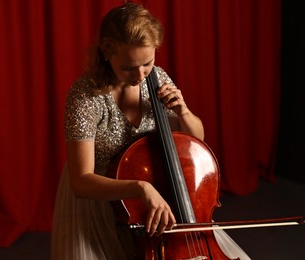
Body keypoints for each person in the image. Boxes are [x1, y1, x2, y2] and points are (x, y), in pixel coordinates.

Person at [51, 3, 250, 260]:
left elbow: (196, 140)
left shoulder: (157, 78)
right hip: (100, 202)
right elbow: (81, 181)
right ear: (107, 51)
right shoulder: (85, 96)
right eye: (128, 67)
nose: (140, 75)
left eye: (147, 63)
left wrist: (183, 112)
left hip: (158, 191)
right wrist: (141, 188)